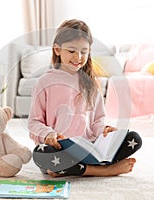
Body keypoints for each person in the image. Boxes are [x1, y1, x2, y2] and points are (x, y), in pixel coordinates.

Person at [28, 19, 142, 177]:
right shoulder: (45, 82)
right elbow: (34, 122)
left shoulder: (91, 83)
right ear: (57, 50)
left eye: (84, 51)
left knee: (133, 138)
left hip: (90, 148)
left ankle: (77, 168)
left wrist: (104, 130)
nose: (78, 57)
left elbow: (98, 120)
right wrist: (48, 135)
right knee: (41, 154)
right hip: (60, 150)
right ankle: (103, 170)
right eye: (72, 51)